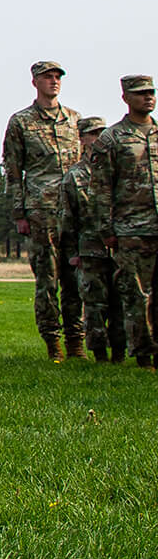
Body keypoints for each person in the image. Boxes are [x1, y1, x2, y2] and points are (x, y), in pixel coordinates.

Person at [3, 62, 84, 360]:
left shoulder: (74, 120)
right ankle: (54, 343)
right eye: (48, 77)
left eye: (57, 77)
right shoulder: (21, 122)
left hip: (73, 213)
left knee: (75, 279)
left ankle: (78, 340)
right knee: (47, 281)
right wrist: (19, 214)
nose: (54, 82)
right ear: (35, 81)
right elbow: (13, 171)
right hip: (40, 213)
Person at [90, 75, 158, 369]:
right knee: (136, 296)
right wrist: (107, 229)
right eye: (141, 93)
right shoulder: (112, 138)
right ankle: (144, 355)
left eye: (151, 92)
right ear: (126, 98)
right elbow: (100, 187)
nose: (148, 97)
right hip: (132, 229)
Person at [59, 117, 124, 363]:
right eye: (92, 134)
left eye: (101, 133)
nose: (98, 139)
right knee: (95, 306)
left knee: (119, 304)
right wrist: (71, 254)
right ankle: (99, 355)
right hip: (89, 250)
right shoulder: (74, 177)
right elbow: (67, 220)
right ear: (82, 138)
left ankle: (119, 354)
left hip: (119, 249)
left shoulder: (118, 171)